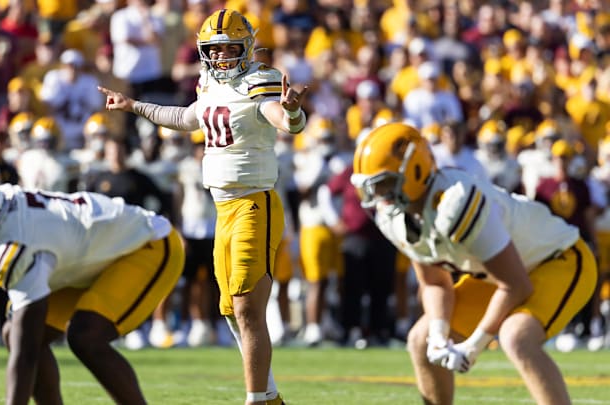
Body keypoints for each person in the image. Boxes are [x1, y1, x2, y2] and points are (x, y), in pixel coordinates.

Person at [98, 9, 307, 405]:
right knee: (230, 309)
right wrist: (132, 105)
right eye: (216, 49)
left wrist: (293, 110)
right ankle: (271, 397)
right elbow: (184, 117)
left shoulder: (259, 80)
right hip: (222, 208)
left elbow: (285, 120)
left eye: (231, 48)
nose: (223, 56)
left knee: (247, 306)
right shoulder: (209, 84)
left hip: (253, 204)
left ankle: (255, 399)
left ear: (246, 47)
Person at [351, 123, 597, 405]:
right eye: (372, 187)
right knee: (422, 340)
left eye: (384, 185)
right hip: (497, 275)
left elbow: (515, 284)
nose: (378, 198)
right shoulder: (396, 217)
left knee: (516, 337)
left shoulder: (455, 201)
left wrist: (473, 346)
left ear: (415, 170)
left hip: (558, 259)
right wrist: (440, 334)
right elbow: (434, 282)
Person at [0, 163, 185, 405]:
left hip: (145, 245)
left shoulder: (16, 244)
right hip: (87, 254)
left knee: (85, 337)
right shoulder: (1, 201)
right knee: (14, 333)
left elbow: (25, 356)